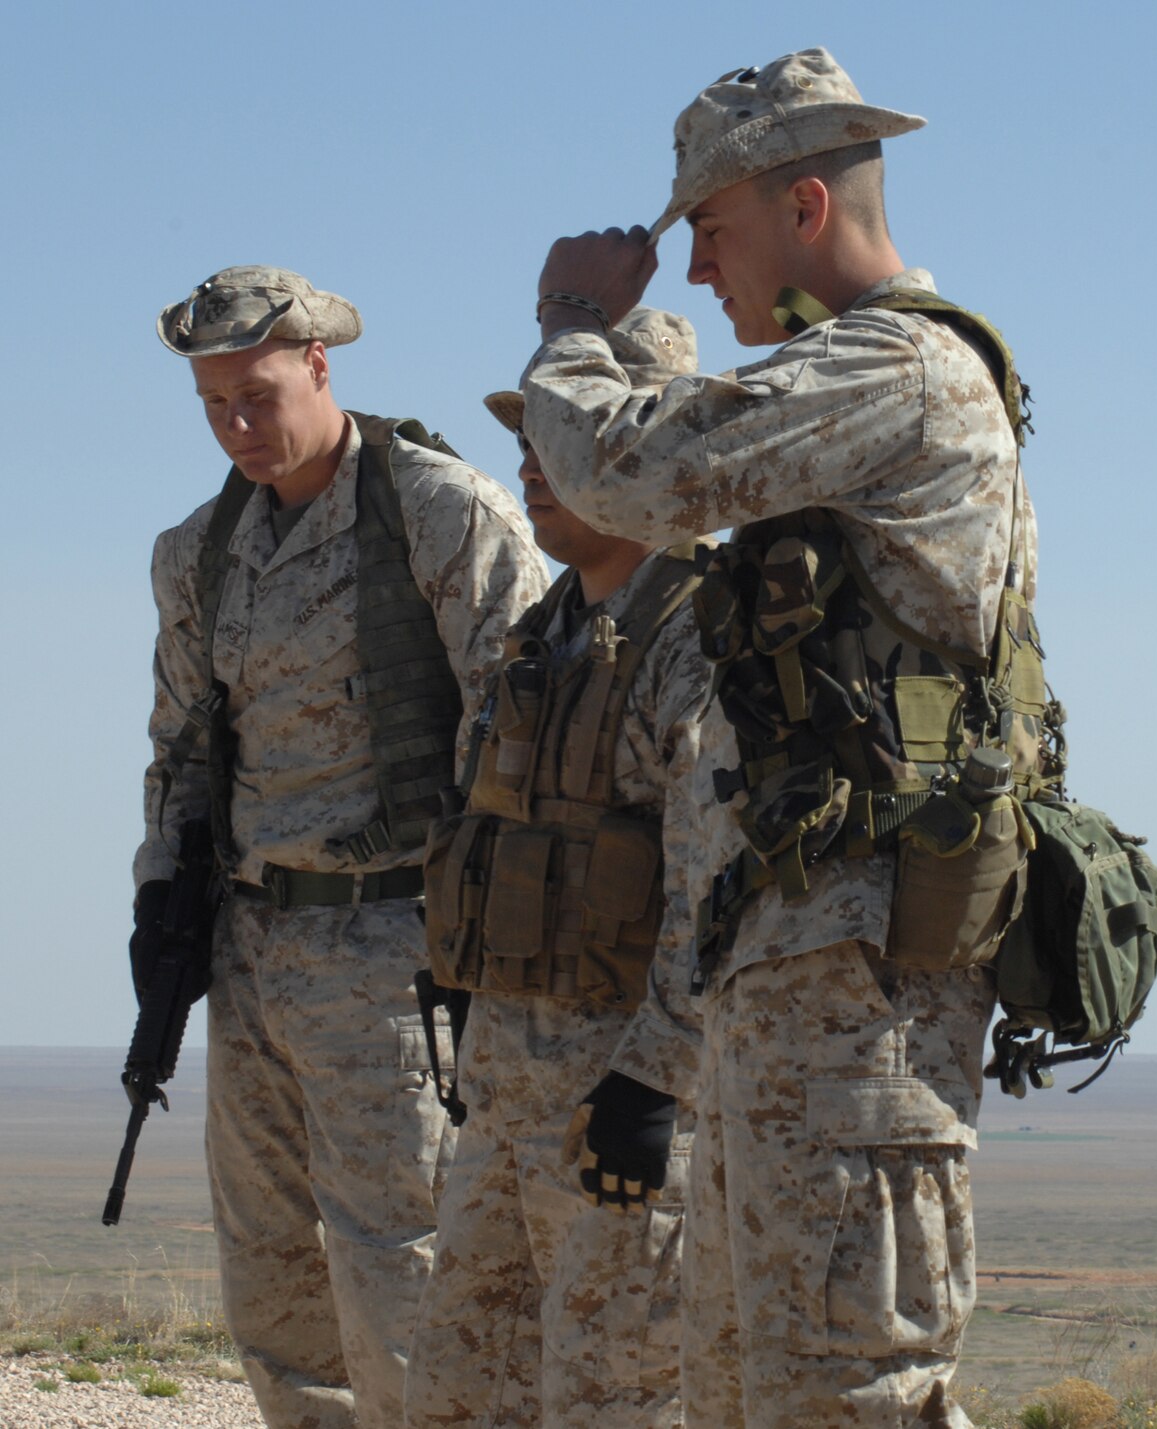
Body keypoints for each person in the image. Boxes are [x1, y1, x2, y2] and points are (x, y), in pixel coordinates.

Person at [514, 47, 1053, 1429]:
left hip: (869, 990)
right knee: (757, 1394)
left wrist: (574, 321)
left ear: (803, 206)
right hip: (802, 969)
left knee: (853, 1393)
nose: (697, 272)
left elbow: (632, 473)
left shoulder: (903, 368)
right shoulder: (848, 380)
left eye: (712, 227)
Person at [136, 266, 546, 1429]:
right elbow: (179, 747)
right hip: (249, 949)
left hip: (397, 957)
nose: (238, 427)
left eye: (257, 396)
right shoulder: (196, 553)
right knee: (273, 1281)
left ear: (320, 365)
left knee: (403, 1278)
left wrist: (491, 936)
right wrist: (157, 897)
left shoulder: (436, 509)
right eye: (214, 405)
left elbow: (522, 723)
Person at [404, 307, 710, 1429]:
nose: (529, 464)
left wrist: (655, 1083)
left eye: (559, 439)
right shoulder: (542, 632)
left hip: (622, 1116)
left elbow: (715, 897)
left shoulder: (697, 638)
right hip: (503, 1101)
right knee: (461, 1393)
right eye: (526, 438)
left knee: (614, 1401)